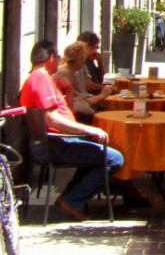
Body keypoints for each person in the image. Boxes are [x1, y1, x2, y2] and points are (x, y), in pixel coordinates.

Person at [19, 40, 124, 221]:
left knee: (98, 153)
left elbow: (66, 113)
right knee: (114, 158)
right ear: (51, 58)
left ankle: (70, 198)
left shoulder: (41, 78)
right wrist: (88, 130)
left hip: (57, 140)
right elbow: (52, 119)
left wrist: (67, 92)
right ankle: (72, 201)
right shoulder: (41, 79)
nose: (59, 60)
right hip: (54, 143)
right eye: (57, 57)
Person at [53, 41, 114, 123]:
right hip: (75, 116)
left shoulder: (70, 71)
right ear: (80, 60)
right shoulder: (65, 74)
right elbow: (79, 101)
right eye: (84, 60)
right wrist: (102, 95)